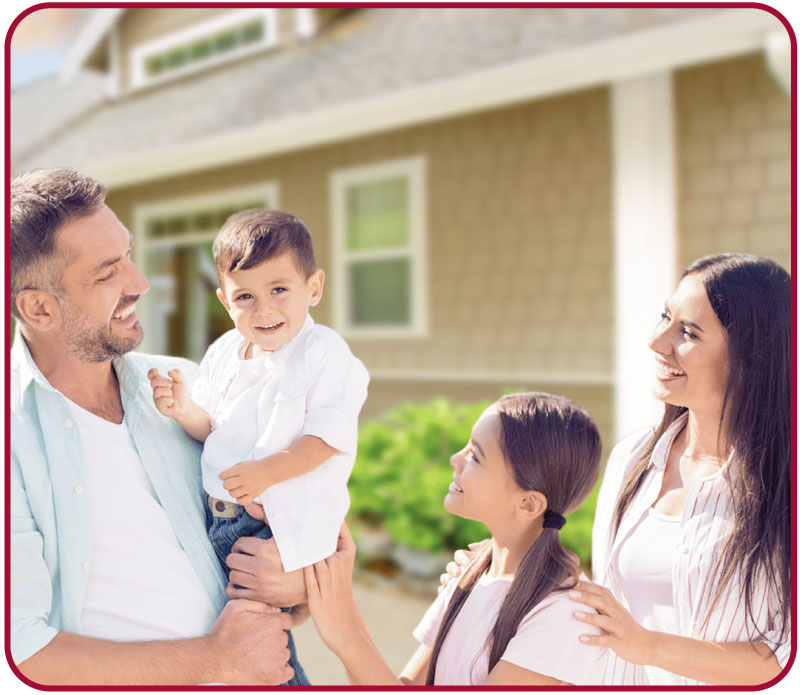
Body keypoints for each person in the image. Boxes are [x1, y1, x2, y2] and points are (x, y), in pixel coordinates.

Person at [9, 168, 298, 686]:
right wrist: (214, 662)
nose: (139, 283)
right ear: (38, 308)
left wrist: (293, 576)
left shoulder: (188, 386)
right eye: (106, 274)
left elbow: (294, 517)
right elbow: (21, 650)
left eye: (128, 254)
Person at [147, 209, 370, 685]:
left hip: (272, 527)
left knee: (259, 649)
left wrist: (269, 471)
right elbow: (214, 429)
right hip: (219, 516)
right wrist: (182, 410)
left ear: (314, 287)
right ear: (225, 300)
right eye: (245, 296)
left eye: (279, 290)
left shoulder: (324, 354)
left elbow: (327, 439)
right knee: (235, 641)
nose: (263, 310)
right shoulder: (226, 351)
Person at [569, 254, 791, 685]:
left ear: (749, 358)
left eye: (687, 332)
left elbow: (783, 656)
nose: (657, 341)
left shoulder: (783, 486)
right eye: (665, 317)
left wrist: (650, 646)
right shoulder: (631, 459)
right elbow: (611, 613)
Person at [304, 392, 608, 685]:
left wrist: (346, 636)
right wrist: (341, 600)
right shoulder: (470, 574)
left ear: (528, 504)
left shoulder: (562, 615)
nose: (454, 459)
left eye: (475, 455)